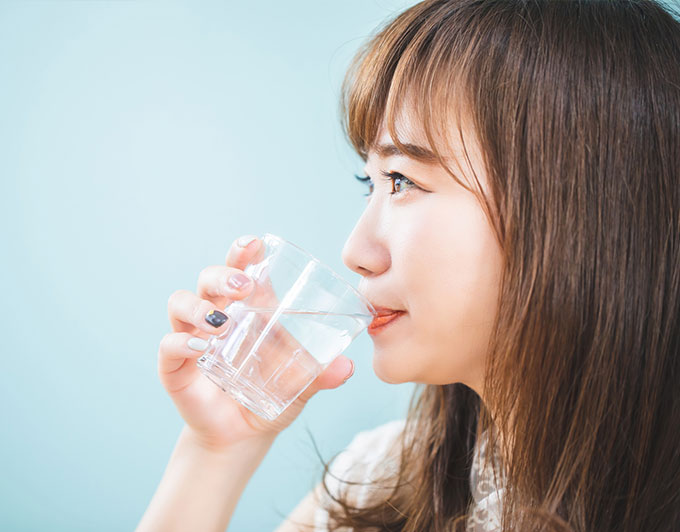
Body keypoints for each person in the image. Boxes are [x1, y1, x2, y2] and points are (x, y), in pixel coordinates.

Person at [136, 0, 680, 530]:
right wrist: (218, 450)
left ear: (580, 206)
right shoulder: (381, 482)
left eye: (402, 181)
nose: (355, 250)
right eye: (368, 184)